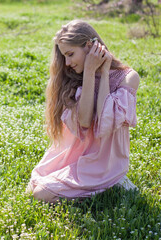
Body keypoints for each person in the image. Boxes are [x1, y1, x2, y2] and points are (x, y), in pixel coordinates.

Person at [26, 20, 140, 203]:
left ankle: (111, 183)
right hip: (78, 155)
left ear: (89, 46)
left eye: (70, 54)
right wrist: (89, 71)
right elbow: (85, 121)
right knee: (34, 185)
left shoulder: (128, 77)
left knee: (41, 195)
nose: (68, 63)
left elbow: (105, 123)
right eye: (64, 57)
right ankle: (102, 188)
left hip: (104, 162)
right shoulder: (75, 77)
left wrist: (102, 74)